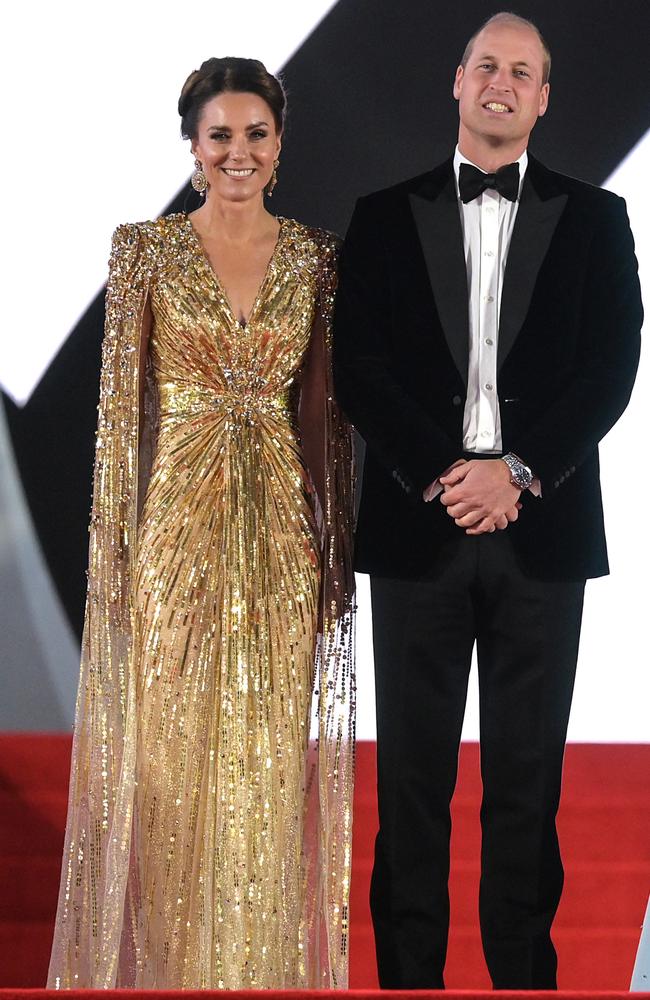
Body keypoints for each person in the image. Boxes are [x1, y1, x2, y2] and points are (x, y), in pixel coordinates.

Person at [333, 12, 642, 991]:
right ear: (457, 82)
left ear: (543, 95)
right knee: (409, 792)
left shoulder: (596, 219)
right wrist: (441, 469)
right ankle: (407, 987)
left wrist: (513, 471)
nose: (502, 83)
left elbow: (609, 367)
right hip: (416, 530)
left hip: (539, 531)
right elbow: (357, 368)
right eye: (487, 66)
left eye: (523, 70)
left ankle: (524, 987)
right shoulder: (382, 214)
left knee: (526, 792)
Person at [48, 57, 355, 991]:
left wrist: (332, 548)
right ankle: (180, 978)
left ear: (279, 146)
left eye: (256, 134)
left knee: (261, 780)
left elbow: (320, 413)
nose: (239, 152)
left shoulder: (314, 255)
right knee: (175, 780)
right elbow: (118, 424)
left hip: (280, 544)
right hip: (174, 538)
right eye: (221, 134)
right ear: (192, 145)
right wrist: (122, 556)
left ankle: (257, 978)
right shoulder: (142, 251)